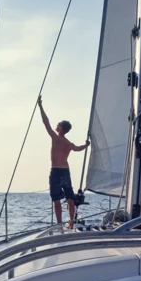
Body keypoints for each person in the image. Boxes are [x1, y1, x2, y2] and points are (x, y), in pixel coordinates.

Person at [38, 96, 89, 229]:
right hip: (65, 171)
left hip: (56, 171)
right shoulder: (68, 143)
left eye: (58, 125)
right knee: (69, 197)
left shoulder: (56, 138)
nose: (56, 126)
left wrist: (40, 107)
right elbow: (77, 149)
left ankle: (60, 224)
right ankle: (71, 222)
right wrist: (86, 145)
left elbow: (46, 122)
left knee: (56, 199)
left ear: (60, 128)